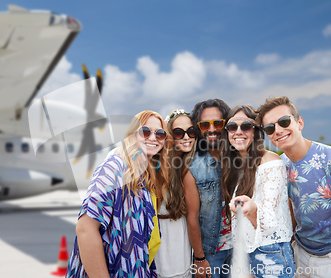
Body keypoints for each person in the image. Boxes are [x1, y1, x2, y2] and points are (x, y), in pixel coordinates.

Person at [257, 96, 331, 278]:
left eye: (284, 122)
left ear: (300, 122)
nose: (278, 130)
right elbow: (291, 208)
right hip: (301, 255)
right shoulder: (281, 166)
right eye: (270, 128)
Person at [66, 110, 172, 278]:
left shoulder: (145, 177)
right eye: (145, 131)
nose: (153, 138)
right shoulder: (114, 167)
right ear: (132, 135)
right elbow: (86, 228)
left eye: (160, 134)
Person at [222, 105, 295, 278]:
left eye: (246, 126)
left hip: (271, 252)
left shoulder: (270, 163)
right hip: (245, 250)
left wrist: (252, 209)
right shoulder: (236, 166)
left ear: (255, 131)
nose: (238, 131)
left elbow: (269, 223)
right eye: (232, 127)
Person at [184, 99, 231, 278]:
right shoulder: (193, 167)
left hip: (241, 249)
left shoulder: (239, 158)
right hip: (212, 254)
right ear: (198, 128)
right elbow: (192, 217)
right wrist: (199, 258)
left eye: (218, 123)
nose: (212, 129)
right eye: (205, 125)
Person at [154, 109, 197, 278]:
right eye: (179, 132)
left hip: (182, 236)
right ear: (170, 134)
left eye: (191, 131)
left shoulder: (192, 162)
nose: (186, 137)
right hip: (161, 236)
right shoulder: (157, 163)